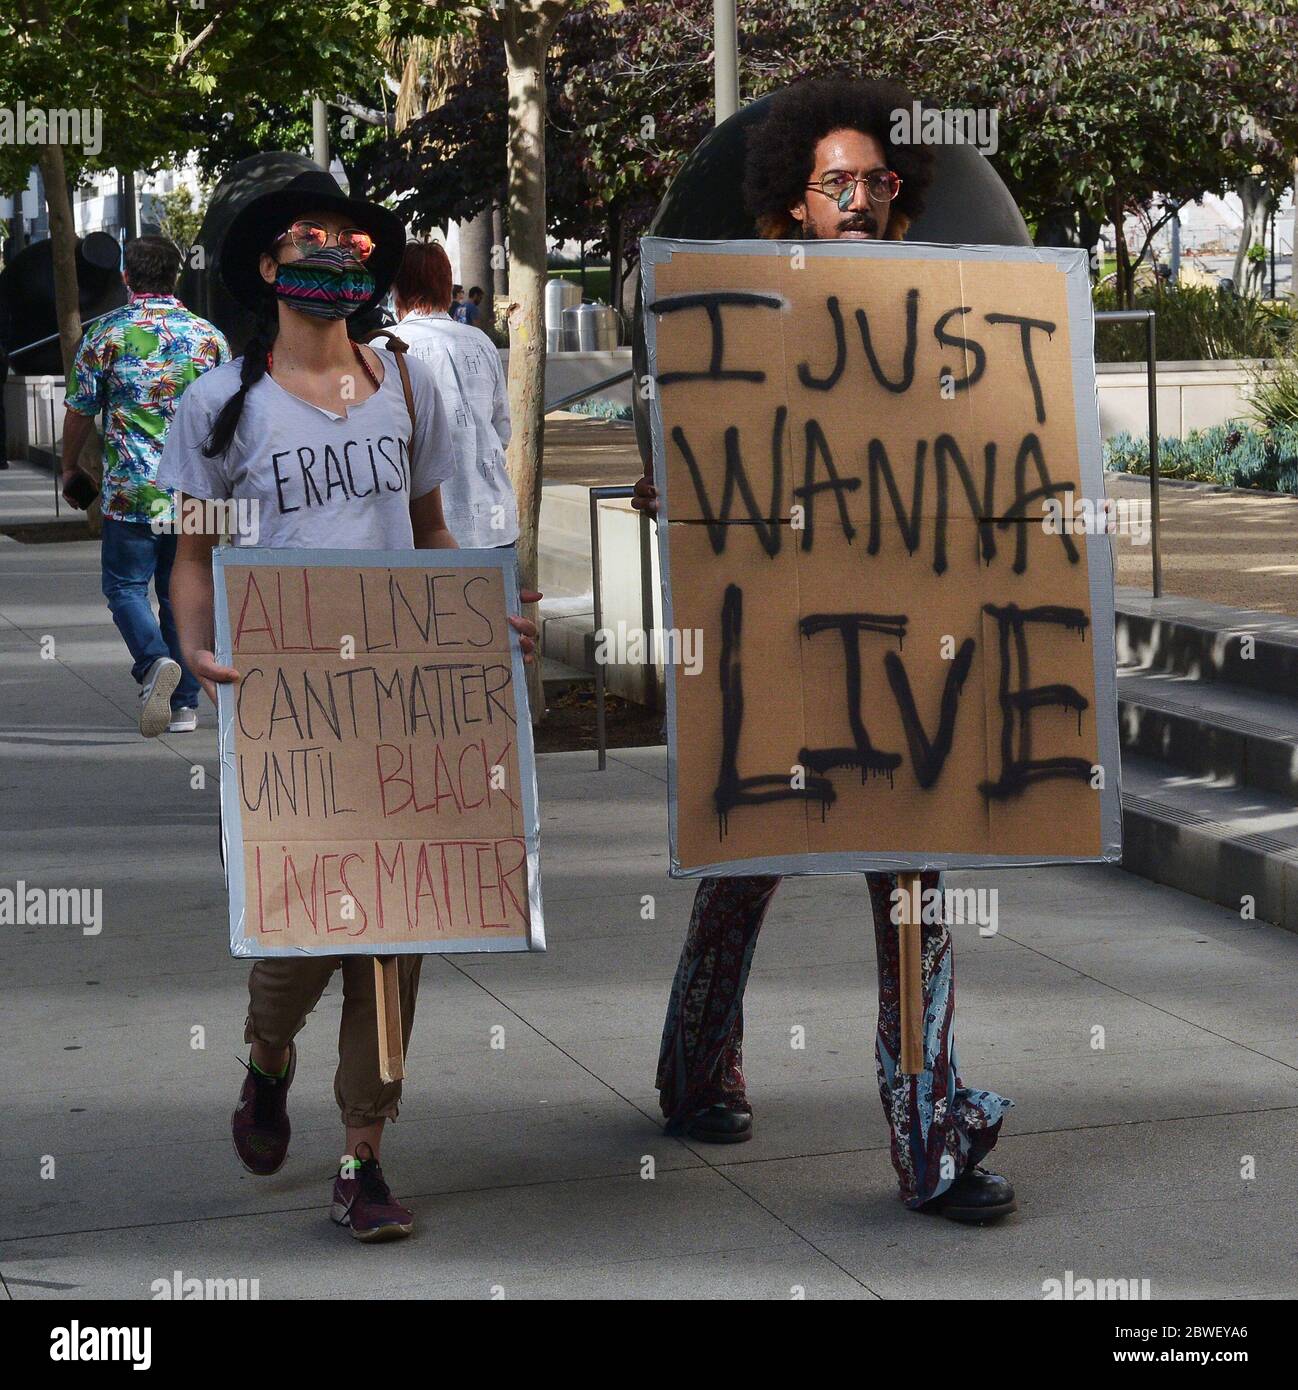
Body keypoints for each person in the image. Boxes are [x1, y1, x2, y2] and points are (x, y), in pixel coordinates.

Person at [633, 78, 1016, 1223]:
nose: (855, 199)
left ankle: (929, 1138)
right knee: (740, 871)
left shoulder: (945, 311)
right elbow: (703, 451)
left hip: (899, 661)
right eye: (832, 182)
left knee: (911, 890)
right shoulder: (737, 311)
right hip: (777, 656)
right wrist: (678, 490)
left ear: (900, 194)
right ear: (791, 199)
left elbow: (978, 456)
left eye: (875, 182)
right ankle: (696, 1070)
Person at [155, 170, 538, 1243]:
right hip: (288, 705)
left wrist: (480, 615)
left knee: (396, 924)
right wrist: (193, 646)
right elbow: (190, 554)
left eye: (346, 240)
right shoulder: (218, 404)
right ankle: (267, 1058)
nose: (328, 256)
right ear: (268, 270)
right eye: (301, 242)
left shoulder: (408, 387)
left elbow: (427, 532)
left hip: (401, 701)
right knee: (303, 930)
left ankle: (362, 1156)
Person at [61, 235, 227, 736]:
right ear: (177, 275)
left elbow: (80, 410)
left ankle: (153, 661)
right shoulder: (209, 338)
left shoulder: (106, 335)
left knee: (124, 587)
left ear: (126, 277)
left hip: (131, 491)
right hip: (196, 493)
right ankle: (184, 706)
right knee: (183, 593)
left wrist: (69, 466)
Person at [391, 243, 517, 548]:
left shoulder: (387, 350)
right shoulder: (481, 342)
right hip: (493, 517)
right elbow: (501, 427)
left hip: (422, 526)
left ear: (396, 290)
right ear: (447, 288)